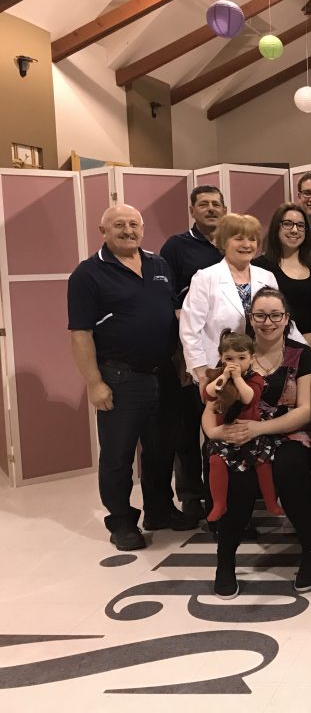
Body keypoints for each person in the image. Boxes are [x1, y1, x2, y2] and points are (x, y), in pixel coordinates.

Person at [69, 205, 194, 551]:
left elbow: (171, 314)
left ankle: (159, 510)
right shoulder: (88, 274)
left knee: (161, 448)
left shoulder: (158, 265)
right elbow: (80, 334)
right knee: (118, 454)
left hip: (163, 373)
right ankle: (122, 521)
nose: (128, 230)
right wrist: (95, 383)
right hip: (120, 376)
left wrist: (181, 361)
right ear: (103, 231)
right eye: (119, 225)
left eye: (133, 224)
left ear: (142, 228)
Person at [206, 288, 311, 598]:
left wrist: (260, 428)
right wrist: (219, 433)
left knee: (290, 465)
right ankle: (225, 561)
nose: (268, 322)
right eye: (260, 315)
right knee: (236, 475)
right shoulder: (236, 354)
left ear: (286, 319)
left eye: (275, 315)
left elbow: (305, 411)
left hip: (288, 431)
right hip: (240, 435)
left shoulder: (302, 355)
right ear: (251, 318)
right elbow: (213, 405)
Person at [159, 184, 227, 521]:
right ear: (192, 210)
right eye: (203, 204)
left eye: (216, 204)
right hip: (192, 351)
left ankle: (221, 494)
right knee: (188, 427)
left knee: (222, 424)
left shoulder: (231, 243)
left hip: (229, 355)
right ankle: (190, 495)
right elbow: (166, 292)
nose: (211, 209)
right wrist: (188, 343)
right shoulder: (177, 247)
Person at [180, 213, 303, 385]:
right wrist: (201, 373)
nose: (247, 245)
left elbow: (280, 319)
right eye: (239, 239)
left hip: (259, 369)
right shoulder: (205, 278)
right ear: (224, 242)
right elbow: (190, 330)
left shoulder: (267, 277)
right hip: (216, 371)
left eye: (252, 239)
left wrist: (306, 351)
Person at [201, 330, 282, 523]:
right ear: (221, 358)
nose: (235, 363)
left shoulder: (255, 378)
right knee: (215, 461)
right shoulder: (219, 375)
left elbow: (248, 398)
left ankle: (271, 501)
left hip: (251, 432)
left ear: (251, 358)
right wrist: (223, 377)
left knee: (263, 462)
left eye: (241, 358)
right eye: (229, 358)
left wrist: (237, 378)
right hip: (226, 432)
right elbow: (208, 395)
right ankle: (219, 503)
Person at [254, 204, 311, 348]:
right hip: (273, 346)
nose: (294, 230)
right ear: (276, 227)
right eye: (287, 224)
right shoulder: (258, 267)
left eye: (300, 225)